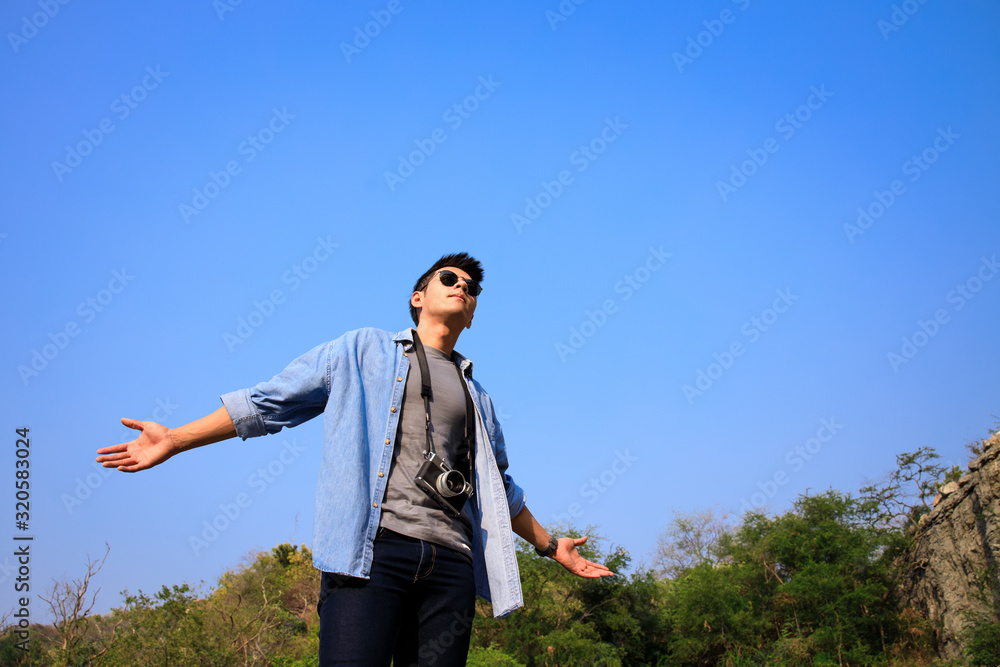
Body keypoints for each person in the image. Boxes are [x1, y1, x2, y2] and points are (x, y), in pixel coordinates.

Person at [96, 252, 612, 665]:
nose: (463, 288)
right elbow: (269, 401)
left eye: (472, 289)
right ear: (418, 297)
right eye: (450, 278)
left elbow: (499, 486)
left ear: (473, 314)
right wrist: (177, 438)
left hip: (451, 564)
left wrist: (550, 546)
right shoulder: (362, 350)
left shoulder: (479, 396)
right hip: (373, 554)